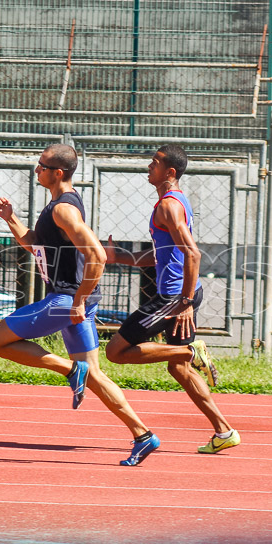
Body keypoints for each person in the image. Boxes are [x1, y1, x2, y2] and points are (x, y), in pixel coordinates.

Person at [0, 143, 161, 466]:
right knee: (95, 375)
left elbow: (96, 255)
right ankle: (143, 435)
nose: (37, 170)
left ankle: (70, 369)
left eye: (41, 166)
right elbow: (35, 245)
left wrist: (78, 301)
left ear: (58, 173)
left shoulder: (64, 209)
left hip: (66, 301)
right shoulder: (56, 206)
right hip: (73, 300)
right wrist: (11, 220)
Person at [104, 145, 240, 455]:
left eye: (154, 163)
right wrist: (120, 257)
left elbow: (193, 253)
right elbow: (162, 254)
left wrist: (185, 302)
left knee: (115, 351)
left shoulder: (168, 206)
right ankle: (224, 430)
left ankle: (191, 350)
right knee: (179, 368)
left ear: (170, 172)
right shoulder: (173, 203)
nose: (148, 167)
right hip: (180, 294)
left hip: (174, 297)